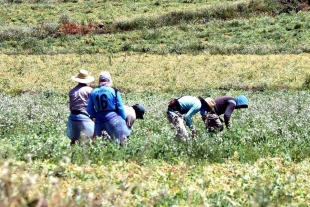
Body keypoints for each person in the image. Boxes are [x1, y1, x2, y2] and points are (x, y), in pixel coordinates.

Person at [87, 71, 130, 146]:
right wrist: (123, 118)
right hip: (113, 117)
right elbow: (120, 107)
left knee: (101, 143)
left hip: (99, 120)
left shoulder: (93, 92)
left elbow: (89, 109)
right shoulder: (114, 91)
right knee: (117, 140)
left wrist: (96, 115)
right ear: (109, 80)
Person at [66, 69, 95, 146]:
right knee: (91, 139)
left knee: (73, 140)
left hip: (72, 117)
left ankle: (72, 154)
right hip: (84, 117)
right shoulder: (90, 91)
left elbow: (71, 107)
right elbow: (92, 106)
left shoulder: (72, 91)